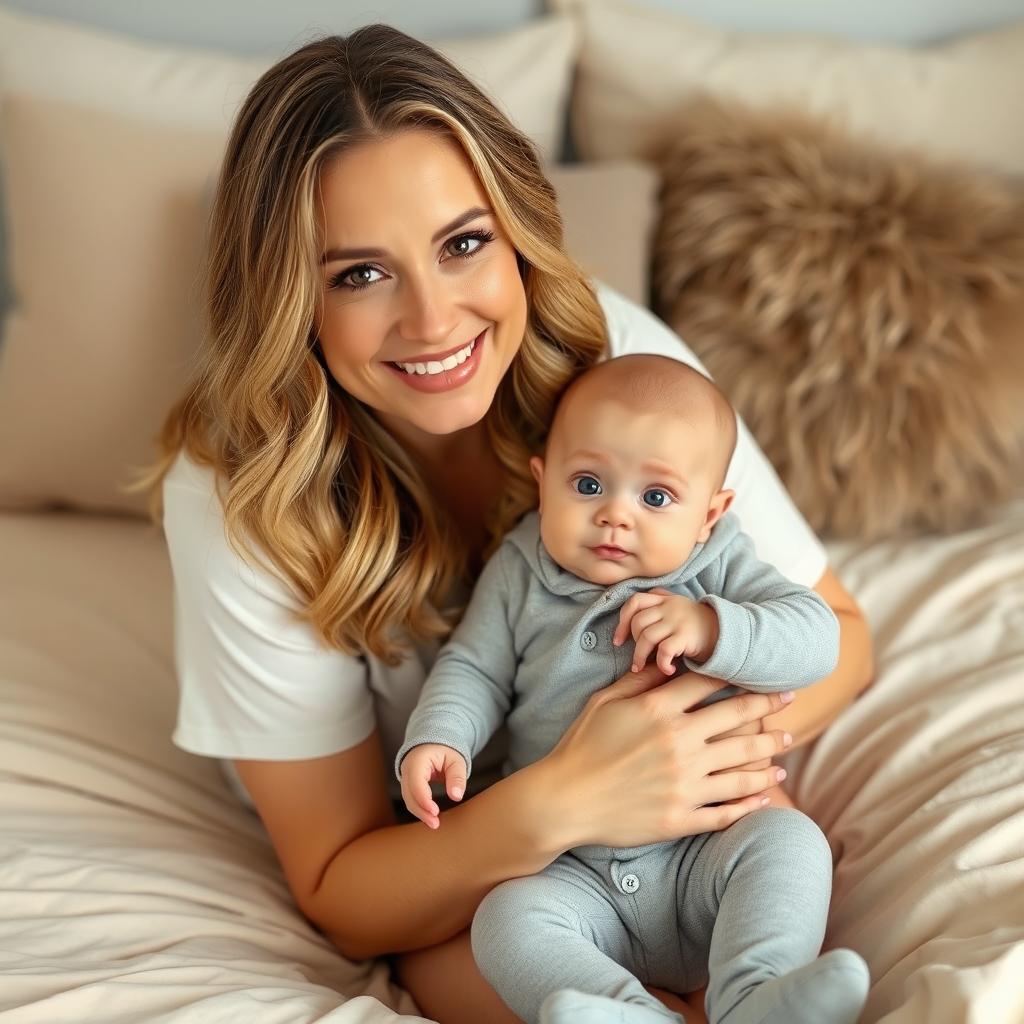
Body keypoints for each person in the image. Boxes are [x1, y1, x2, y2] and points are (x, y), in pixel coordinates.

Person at [138, 23, 874, 1024]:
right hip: (450, 841)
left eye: (462, 243)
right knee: (483, 931)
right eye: (359, 273)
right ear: (287, 298)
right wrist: (567, 800)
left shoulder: (617, 373)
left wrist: (689, 755)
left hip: (650, 810)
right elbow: (345, 892)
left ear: (516, 231)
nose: (435, 321)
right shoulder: (237, 486)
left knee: (777, 839)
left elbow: (841, 636)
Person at [396, 354, 870, 1024]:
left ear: (710, 514)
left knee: (791, 843)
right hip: (574, 872)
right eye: (587, 484)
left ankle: (755, 997)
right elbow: (472, 668)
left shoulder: (720, 564)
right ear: (542, 483)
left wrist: (712, 627)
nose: (616, 517)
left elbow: (817, 637)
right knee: (505, 920)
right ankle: (627, 1012)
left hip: (707, 850)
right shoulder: (520, 571)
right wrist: (440, 736)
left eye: (655, 498)